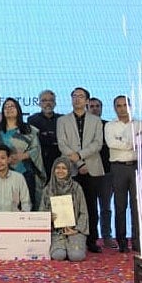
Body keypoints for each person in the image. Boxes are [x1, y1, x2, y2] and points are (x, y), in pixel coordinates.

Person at [57, 87, 104, 253]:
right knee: (68, 205)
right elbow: (62, 144)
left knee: (91, 205)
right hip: (70, 169)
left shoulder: (96, 120)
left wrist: (80, 156)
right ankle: (66, 239)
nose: (77, 99)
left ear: (87, 101)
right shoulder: (62, 120)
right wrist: (78, 163)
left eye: (81, 96)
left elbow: (97, 144)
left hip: (92, 168)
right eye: (74, 96)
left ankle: (91, 240)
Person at [0, 97, 44, 209]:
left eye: (12, 106)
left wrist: (22, 156)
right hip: (3, 174)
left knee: (26, 206)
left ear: (18, 109)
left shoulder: (28, 129)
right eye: (6, 107)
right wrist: (4, 159)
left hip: (25, 173)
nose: (9, 109)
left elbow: (36, 149)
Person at [104, 96, 142, 253]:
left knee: (136, 207)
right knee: (120, 206)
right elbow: (111, 143)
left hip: (136, 167)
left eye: (125, 105)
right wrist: (131, 143)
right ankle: (122, 242)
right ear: (114, 108)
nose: (122, 108)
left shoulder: (140, 124)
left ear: (130, 106)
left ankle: (137, 241)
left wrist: (123, 142)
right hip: (118, 168)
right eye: (118, 106)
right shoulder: (109, 125)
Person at [40, 157, 88, 262]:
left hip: (75, 231)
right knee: (58, 255)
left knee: (76, 256)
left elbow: (83, 212)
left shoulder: (76, 188)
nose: (60, 171)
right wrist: (49, 217)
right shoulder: (48, 189)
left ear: (69, 170)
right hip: (56, 232)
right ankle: (63, 248)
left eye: (64, 168)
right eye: (57, 168)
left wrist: (76, 230)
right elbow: (42, 212)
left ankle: (75, 247)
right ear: (53, 170)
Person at [88, 96, 115, 249]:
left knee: (105, 207)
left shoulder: (109, 126)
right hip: (89, 172)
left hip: (106, 173)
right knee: (90, 207)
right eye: (91, 106)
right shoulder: (83, 128)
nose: (95, 109)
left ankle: (107, 236)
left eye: (97, 106)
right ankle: (90, 237)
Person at [27, 89, 62, 181]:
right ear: (39, 103)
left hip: (59, 160)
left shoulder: (62, 119)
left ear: (55, 103)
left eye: (51, 100)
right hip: (40, 161)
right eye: (44, 100)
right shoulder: (32, 120)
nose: (48, 103)